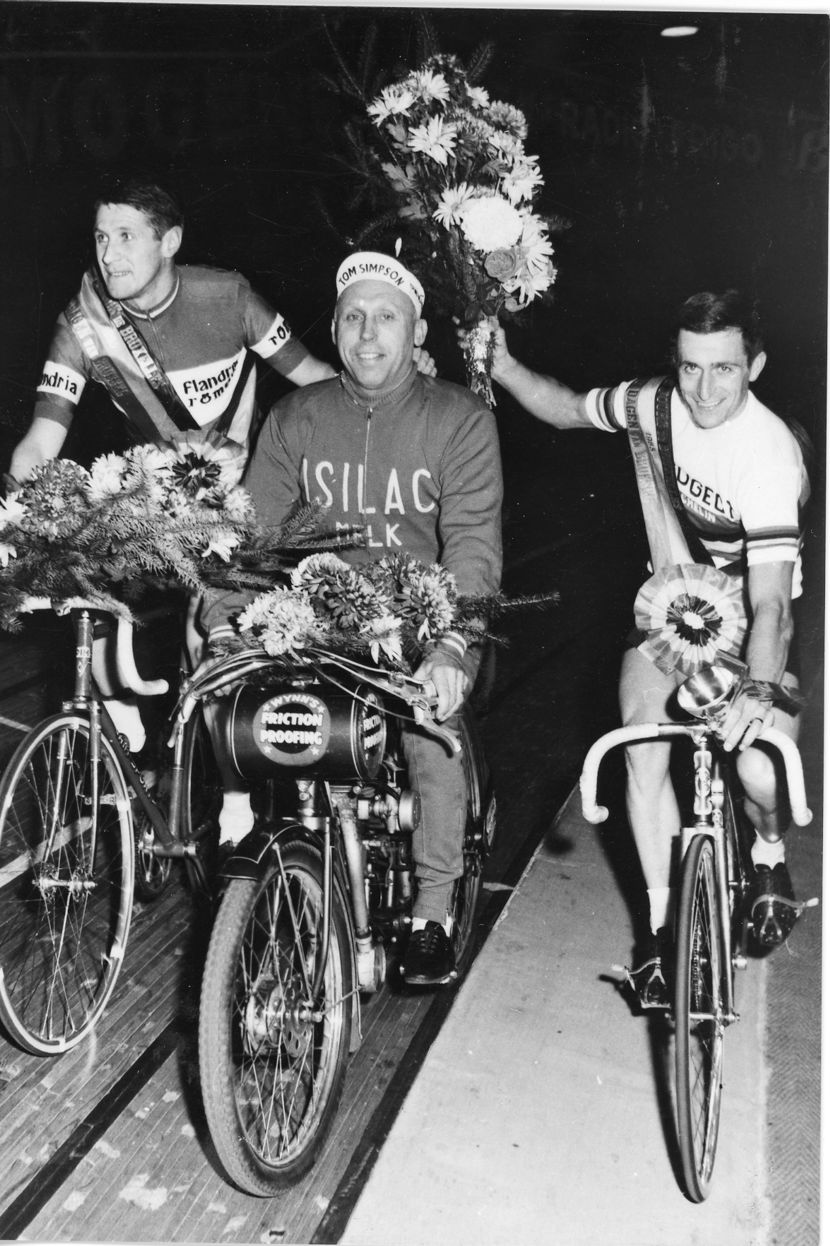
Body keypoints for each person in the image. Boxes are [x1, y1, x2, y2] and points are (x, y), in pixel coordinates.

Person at [6, 179, 433, 840]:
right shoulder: (83, 322)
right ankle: (126, 727)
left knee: (213, 636)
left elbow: (317, 378)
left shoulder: (228, 297)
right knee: (81, 587)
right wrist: (22, 508)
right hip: (158, 499)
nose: (109, 254)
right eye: (100, 237)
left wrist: (402, 380)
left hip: (249, 492)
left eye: (126, 237)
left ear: (169, 241)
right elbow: (42, 439)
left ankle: (235, 796)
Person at [464, 290, 810, 1007]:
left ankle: (770, 858)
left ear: (756, 366)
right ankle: (657, 936)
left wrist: (760, 691)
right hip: (670, 608)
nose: (705, 390)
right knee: (640, 742)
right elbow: (564, 406)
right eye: (690, 368)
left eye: (724, 370)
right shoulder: (655, 404)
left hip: (749, 619)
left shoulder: (769, 454)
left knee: (759, 771)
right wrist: (502, 365)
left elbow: (773, 601)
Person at [202, 250, 503, 986]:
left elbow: (470, 547)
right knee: (254, 712)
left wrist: (451, 648)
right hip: (318, 621)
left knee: (431, 735)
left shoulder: (458, 419)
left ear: (418, 329)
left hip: (423, 624)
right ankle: (256, 835)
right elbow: (251, 541)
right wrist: (223, 624)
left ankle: (432, 909)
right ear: (334, 330)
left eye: (387, 318)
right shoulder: (296, 416)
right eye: (354, 318)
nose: (369, 335)